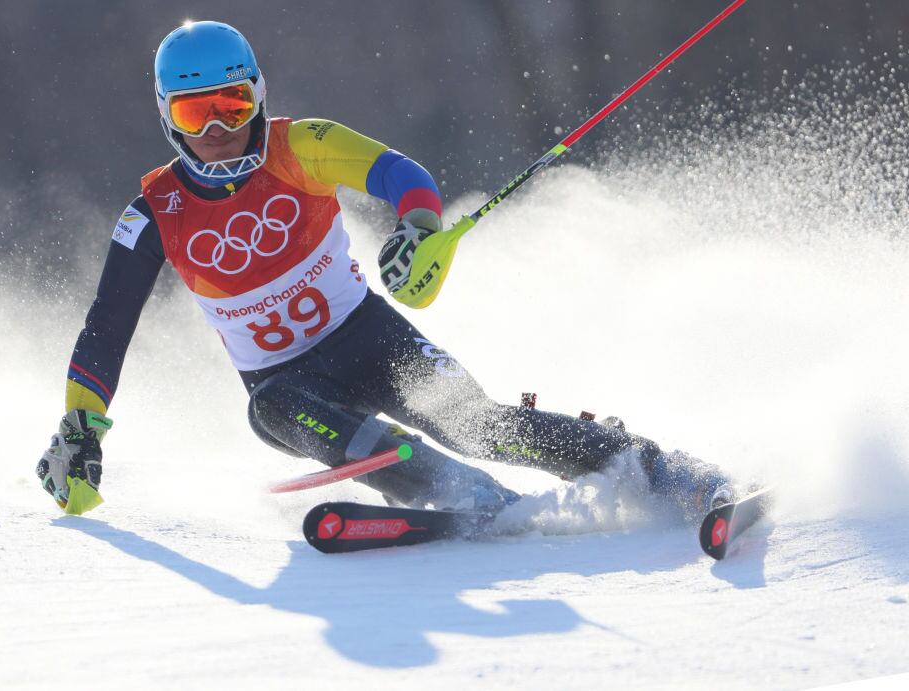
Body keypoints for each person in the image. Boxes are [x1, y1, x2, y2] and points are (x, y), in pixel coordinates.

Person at [36, 20, 733, 520]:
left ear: (258, 95)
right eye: (197, 110)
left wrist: (420, 225)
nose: (217, 126)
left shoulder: (302, 145)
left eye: (233, 103)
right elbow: (107, 325)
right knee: (267, 408)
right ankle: (450, 489)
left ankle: (657, 468)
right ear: (169, 118)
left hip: (372, 338)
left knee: (477, 424)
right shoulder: (154, 211)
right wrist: (80, 427)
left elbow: (399, 173)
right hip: (289, 386)